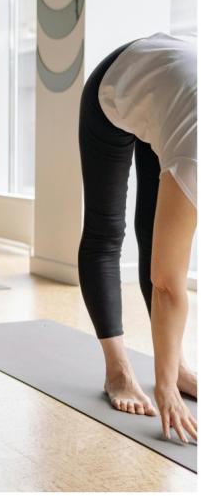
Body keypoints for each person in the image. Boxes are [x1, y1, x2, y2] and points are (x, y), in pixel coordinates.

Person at [78, 33, 197, 443]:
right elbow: (167, 283)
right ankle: (118, 370)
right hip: (118, 87)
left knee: (154, 231)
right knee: (107, 230)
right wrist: (163, 388)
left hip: (171, 96)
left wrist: (171, 371)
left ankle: (178, 367)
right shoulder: (195, 156)